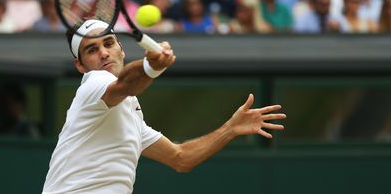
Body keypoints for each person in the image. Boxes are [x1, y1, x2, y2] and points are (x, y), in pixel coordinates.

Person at [42, 19, 286, 193]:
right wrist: (151, 67)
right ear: (80, 65)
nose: (104, 53)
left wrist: (230, 129)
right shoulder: (93, 83)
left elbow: (181, 158)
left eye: (109, 44)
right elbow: (126, 84)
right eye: (92, 50)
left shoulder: (132, 116)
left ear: (121, 49)